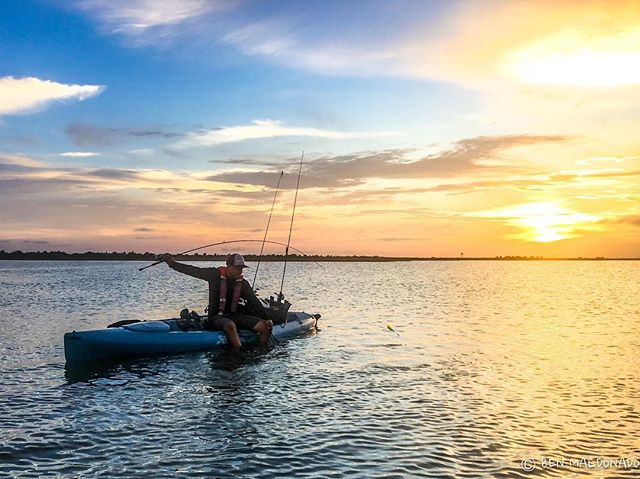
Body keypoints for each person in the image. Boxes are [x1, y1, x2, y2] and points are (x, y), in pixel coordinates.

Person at [159, 252, 273, 348]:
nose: (240, 271)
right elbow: (193, 270)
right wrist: (172, 264)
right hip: (216, 317)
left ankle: (260, 352)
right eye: (237, 268)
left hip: (235, 315)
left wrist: (267, 318)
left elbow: (254, 301)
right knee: (230, 325)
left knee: (264, 327)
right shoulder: (213, 275)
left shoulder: (243, 283)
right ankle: (238, 354)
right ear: (228, 265)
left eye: (241, 268)